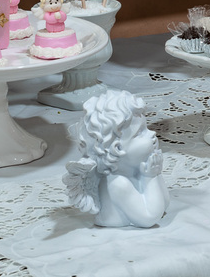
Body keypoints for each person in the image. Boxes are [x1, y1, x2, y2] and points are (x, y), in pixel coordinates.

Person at [64, 91, 170, 228]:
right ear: (117, 148)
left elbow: (164, 204)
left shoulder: (135, 172)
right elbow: (149, 218)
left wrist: (154, 173)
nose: (153, 133)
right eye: (140, 132)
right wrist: (151, 177)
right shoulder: (118, 183)